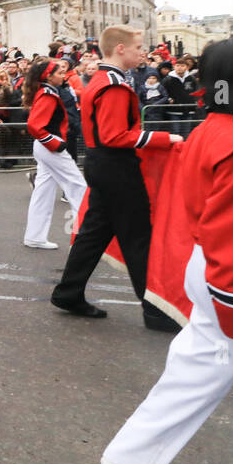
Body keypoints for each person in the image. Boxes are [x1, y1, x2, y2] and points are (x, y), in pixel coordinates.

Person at [101, 38, 233, 464]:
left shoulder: (215, 126)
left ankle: (136, 457)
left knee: (197, 370)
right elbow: (231, 234)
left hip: (216, 267)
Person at [50, 25, 183, 329]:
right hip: (116, 166)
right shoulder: (113, 84)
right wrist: (163, 139)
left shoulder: (105, 79)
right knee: (137, 237)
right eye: (138, 47)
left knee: (94, 233)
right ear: (120, 48)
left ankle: (69, 292)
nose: (142, 52)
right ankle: (154, 309)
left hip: (103, 164)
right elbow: (114, 135)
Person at [22, 57, 87, 249]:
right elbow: (34, 125)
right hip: (50, 148)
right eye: (59, 73)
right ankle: (86, 238)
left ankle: (35, 236)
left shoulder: (47, 91)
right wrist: (55, 143)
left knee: (43, 191)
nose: (63, 75)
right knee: (79, 187)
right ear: (49, 77)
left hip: (46, 147)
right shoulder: (48, 94)